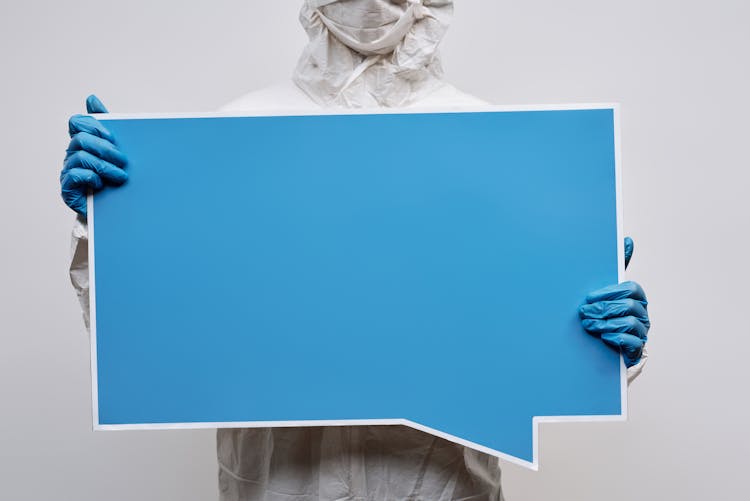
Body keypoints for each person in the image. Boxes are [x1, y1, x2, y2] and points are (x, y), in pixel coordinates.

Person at [61, 1, 650, 499]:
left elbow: (529, 352)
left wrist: (601, 337)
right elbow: (146, 340)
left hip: (442, 486)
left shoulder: (494, 139)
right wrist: (111, 227)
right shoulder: (234, 134)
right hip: (278, 484)